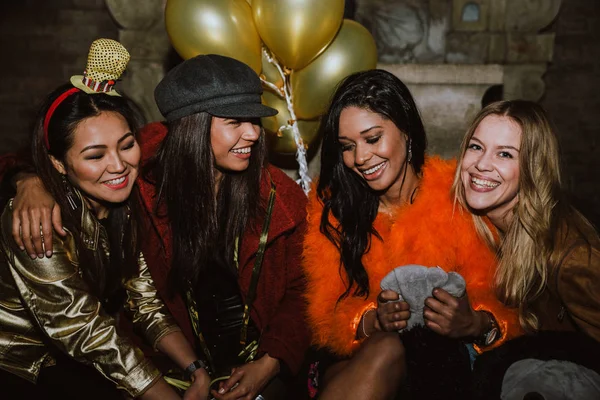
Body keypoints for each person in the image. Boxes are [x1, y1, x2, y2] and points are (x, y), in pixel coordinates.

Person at [5, 54, 310, 400]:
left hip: (244, 361)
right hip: (27, 368)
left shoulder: (279, 199)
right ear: (191, 126)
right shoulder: (137, 173)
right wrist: (28, 180)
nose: (254, 133)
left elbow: (142, 295)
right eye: (235, 121)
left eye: (254, 119)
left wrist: (265, 362)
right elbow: (85, 329)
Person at [0, 39, 206, 399]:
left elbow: (143, 299)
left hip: (66, 359)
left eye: (126, 145)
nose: (118, 165)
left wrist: (195, 370)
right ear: (58, 164)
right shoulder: (39, 221)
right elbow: (82, 326)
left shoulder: (122, 208)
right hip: (17, 364)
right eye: (96, 155)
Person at [302, 69, 522, 400]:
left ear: (405, 131)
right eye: (347, 146)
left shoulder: (457, 198)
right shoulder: (333, 209)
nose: (360, 158)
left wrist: (473, 324)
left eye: (373, 138)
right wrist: (372, 320)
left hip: (443, 366)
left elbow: (506, 312)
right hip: (352, 361)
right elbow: (325, 316)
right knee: (387, 346)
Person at [452, 100, 600, 399]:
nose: (481, 164)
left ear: (533, 168)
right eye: (476, 147)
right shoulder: (466, 222)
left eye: (505, 154)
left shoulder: (571, 257)